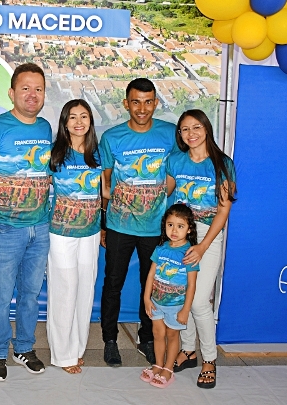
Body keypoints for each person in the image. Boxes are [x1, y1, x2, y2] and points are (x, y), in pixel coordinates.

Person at [0, 63, 52, 382]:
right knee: (2, 297)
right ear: (11, 93)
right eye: (25, 88)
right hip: (4, 230)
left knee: (30, 295)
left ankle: (24, 348)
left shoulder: (45, 128)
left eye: (38, 89)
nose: (32, 95)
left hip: (40, 228)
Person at [99, 78, 177, 367]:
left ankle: (147, 338)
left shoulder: (170, 134)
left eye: (148, 102)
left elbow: (176, 171)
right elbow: (105, 184)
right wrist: (104, 224)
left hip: (155, 228)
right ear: (126, 104)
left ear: (155, 103)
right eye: (136, 102)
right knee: (113, 284)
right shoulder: (112, 137)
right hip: (119, 226)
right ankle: (109, 340)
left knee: (152, 284)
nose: (142, 109)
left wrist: (157, 197)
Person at [166, 109, 237, 389]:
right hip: (181, 234)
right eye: (185, 129)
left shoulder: (222, 164)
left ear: (206, 129)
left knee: (197, 302)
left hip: (208, 235)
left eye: (196, 127)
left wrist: (203, 246)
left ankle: (209, 359)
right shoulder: (175, 161)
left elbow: (223, 210)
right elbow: (165, 192)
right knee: (183, 296)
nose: (191, 133)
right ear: (180, 134)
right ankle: (188, 350)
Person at [47, 99, 101, 375]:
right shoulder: (55, 154)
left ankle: (77, 349)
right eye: (73, 117)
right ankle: (62, 354)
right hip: (61, 233)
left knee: (85, 291)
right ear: (65, 123)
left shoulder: (98, 154)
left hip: (91, 233)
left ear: (90, 121)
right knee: (64, 290)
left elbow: (104, 191)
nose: (79, 122)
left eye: (84, 116)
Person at [141, 204, 199, 388]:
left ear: (189, 229)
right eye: (170, 225)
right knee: (157, 334)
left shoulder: (189, 253)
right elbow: (151, 275)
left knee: (172, 336)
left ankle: (168, 369)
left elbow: (192, 284)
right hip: (156, 302)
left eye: (180, 226)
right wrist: (147, 299)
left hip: (176, 306)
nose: (174, 230)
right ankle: (158, 365)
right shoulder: (160, 249)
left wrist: (185, 310)